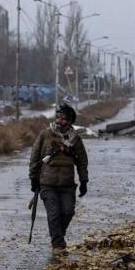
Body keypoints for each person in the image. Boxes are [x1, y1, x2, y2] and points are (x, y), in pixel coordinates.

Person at [28, 103, 89, 252]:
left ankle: (58, 235)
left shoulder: (75, 139)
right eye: (58, 117)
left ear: (70, 121)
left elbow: (82, 160)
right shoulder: (45, 135)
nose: (60, 121)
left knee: (68, 212)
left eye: (64, 118)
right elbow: (34, 157)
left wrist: (83, 181)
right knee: (54, 213)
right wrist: (33, 179)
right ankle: (58, 245)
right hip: (47, 184)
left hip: (67, 185)